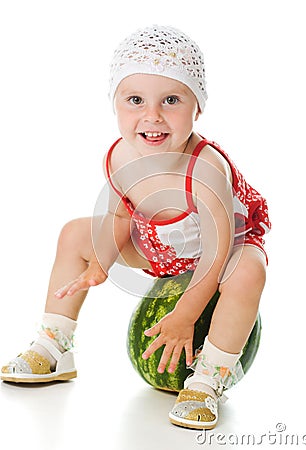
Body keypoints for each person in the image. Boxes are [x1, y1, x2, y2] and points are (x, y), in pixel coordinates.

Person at [1, 25, 271, 430]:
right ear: (114, 104)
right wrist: (100, 263)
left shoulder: (206, 170)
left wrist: (185, 314)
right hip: (159, 247)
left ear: (198, 107)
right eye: (135, 100)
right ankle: (53, 343)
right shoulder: (120, 156)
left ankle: (208, 378)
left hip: (219, 255)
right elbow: (121, 216)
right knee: (75, 233)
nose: (152, 116)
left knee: (250, 269)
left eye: (171, 100)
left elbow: (214, 257)